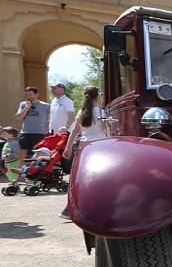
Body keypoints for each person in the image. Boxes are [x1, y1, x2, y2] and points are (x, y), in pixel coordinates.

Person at [61, 86, 108, 219]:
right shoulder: (101, 112)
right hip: (100, 147)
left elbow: (75, 131)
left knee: (79, 179)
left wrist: (68, 148)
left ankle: (68, 208)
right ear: (97, 96)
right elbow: (106, 130)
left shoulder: (82, 112)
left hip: (84, 147)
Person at [14, 86, 50, 161]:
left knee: (38, 153)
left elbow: (54, 116)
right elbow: (18, 118)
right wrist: (27, 107)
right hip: (25, 133)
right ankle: (21, 170)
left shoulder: (45, 106)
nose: (28, 97)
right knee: (22, 153)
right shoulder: (23, 104)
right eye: (26, 95)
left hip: (39, 133)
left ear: (36, 94)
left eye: (30, 94)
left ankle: (35, 170)